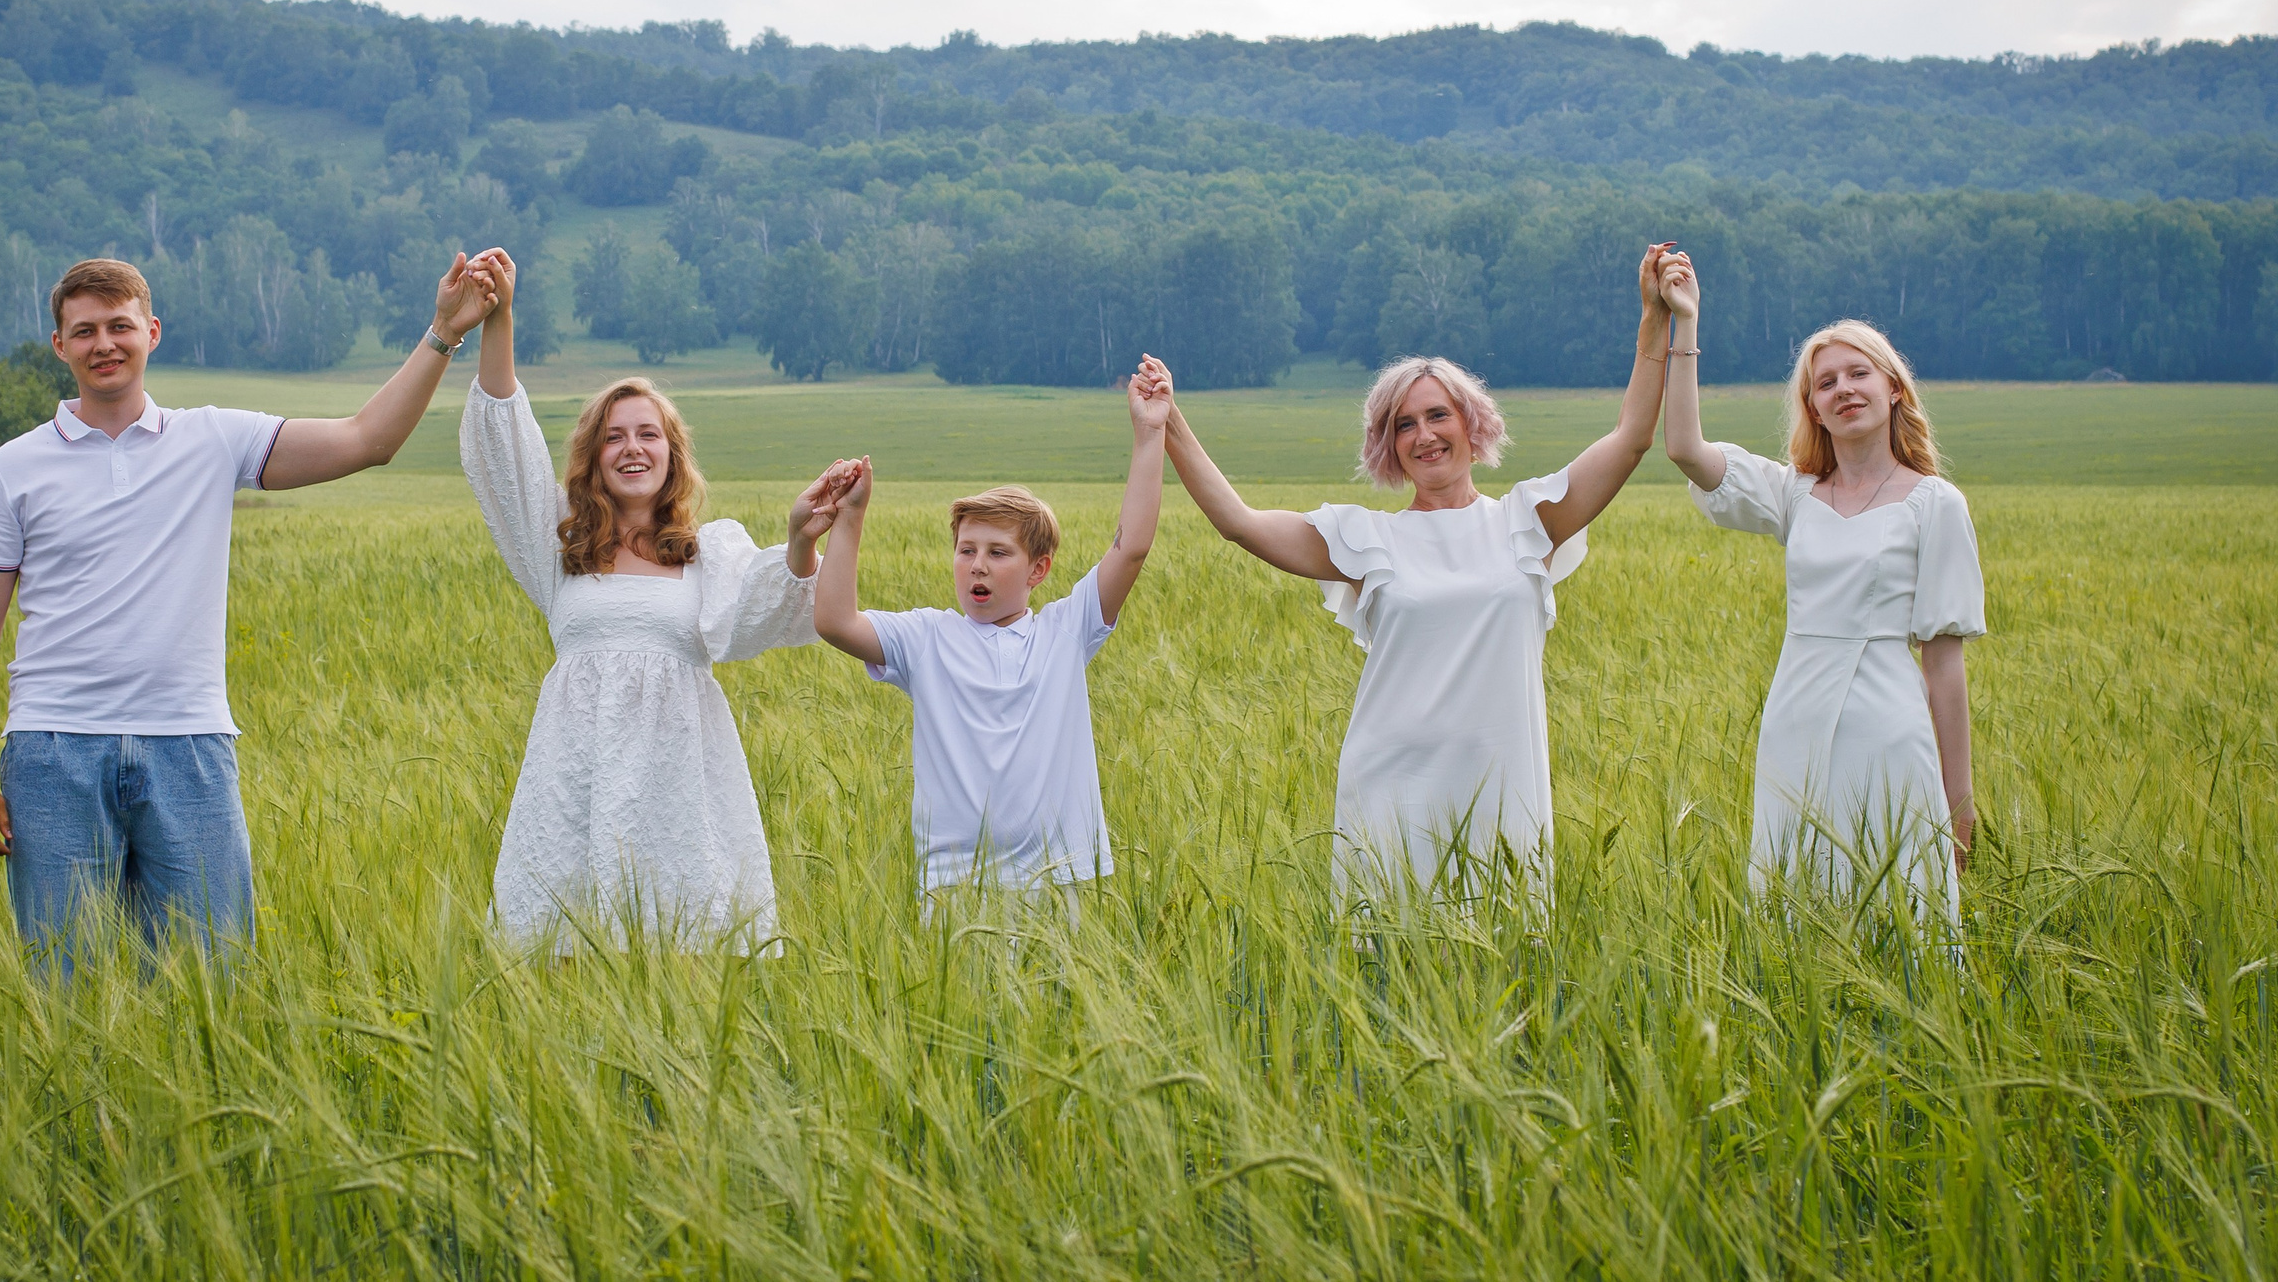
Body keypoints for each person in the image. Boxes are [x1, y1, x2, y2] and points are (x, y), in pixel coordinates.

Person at [0, 251, 501, 974]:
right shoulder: (10, 468)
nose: (103, 344)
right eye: (84, 331)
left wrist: (441, 335)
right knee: (64, 986)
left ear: (153, 331)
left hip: (191, 746)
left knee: (211, 985)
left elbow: (369, 440)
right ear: (59, 345)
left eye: (120, 326)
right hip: (54, 751)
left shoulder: (211, 439)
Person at [1159, 246, 1679, 900]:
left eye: (1439, 415)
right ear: (1388, 444)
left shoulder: (1528, 521)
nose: (1425, 434)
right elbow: (1239, 521)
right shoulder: (1366, 539)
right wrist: (1170, 421)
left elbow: (1632, 437)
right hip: (1391, 796)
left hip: (1504, 794)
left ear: (1472, 424)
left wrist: (1653, 321)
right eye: (1404, 423)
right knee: (1389, 979)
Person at [459, 249, 853, 954]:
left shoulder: (710, 554)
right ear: (592, 455)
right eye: (614, 436)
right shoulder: (559, 547)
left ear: (672, 454)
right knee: (564, 952)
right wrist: (501, 316)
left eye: (648, 435)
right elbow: (504, 443)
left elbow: (779, 604)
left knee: (684, 952)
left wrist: (798, 535)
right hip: (574, 780)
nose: (632, 448)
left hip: (679, 789)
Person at [1658, 254, 1983, 923]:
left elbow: (1944, 666)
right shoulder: (1795, 495)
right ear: (1813, 408)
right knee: (1792, 907)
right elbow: (1686, 447)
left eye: (1858, 373)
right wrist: (1685, 323)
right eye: (1825, 382)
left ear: (1894, 387)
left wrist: (1959, 800)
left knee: (1901, 913)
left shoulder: (1936, 504)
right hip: (1793, 725)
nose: (1843, 389)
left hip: (1890, 730)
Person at [813, 358, 1172, 904]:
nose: (976, 565)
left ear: (1038, 570)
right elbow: (835, 621)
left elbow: (1133, 547)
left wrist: (1149, 435)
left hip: (1057, 877)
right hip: (953, 883)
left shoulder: (1065, 630)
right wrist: (851, 518)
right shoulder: (926, 638)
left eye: (998, 553)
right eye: (966, 550)